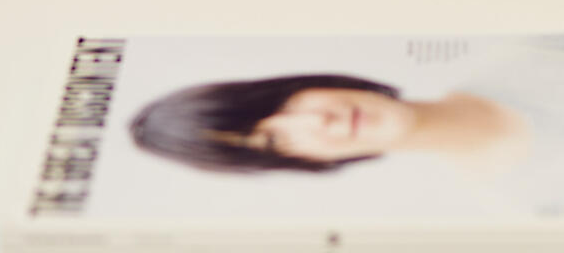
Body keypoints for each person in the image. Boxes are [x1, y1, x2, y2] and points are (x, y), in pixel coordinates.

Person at [130, 72, 528, 175]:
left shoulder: (530, 56)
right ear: (304, 163)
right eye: (271, 140)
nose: (316, 118)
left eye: (280, 101)